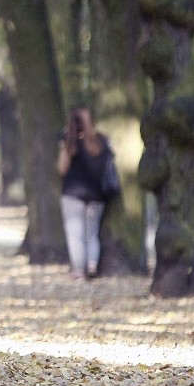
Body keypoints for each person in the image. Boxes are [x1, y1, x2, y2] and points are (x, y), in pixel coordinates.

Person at [56, 105, 114, 279]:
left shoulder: (68, 141)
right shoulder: (102, 140)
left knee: (75, 234)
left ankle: (79, 270)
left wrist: (65, 145)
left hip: (73, 194)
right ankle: (92, 265)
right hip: (97, 195)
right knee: (92, 233)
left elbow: (62, 168)